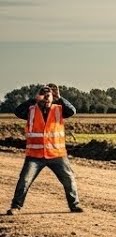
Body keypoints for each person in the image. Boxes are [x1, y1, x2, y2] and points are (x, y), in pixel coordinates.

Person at [5, 84, 83, 215]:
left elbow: (72, 111)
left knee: (68, 179)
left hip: (56, 154)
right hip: (35, 155)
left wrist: (59, 97)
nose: (46, 98)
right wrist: (34, 99)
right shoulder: (31, 110)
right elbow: (18, 111)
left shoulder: (59, 109)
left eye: (49, 96)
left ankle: (74, 205)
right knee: (24, 180)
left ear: (53, 98)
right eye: (43, 95)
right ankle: (16, 206)